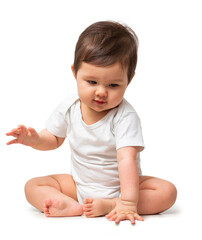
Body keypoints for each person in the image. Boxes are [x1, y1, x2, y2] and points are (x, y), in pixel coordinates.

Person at [6, 21, 177, 224]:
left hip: (122, 189)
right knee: (32, 186)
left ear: (129, 79)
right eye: (92, 82)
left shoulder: (124, 116)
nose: (101, 92)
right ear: (75, 72)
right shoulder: (69, 106)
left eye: (113, 85)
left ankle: (113, 204)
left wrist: (129, 201)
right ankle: (72, 205)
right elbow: (53, 139)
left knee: (167, 192)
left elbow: (126, 159)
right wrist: (34, 140)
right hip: (79, 185)